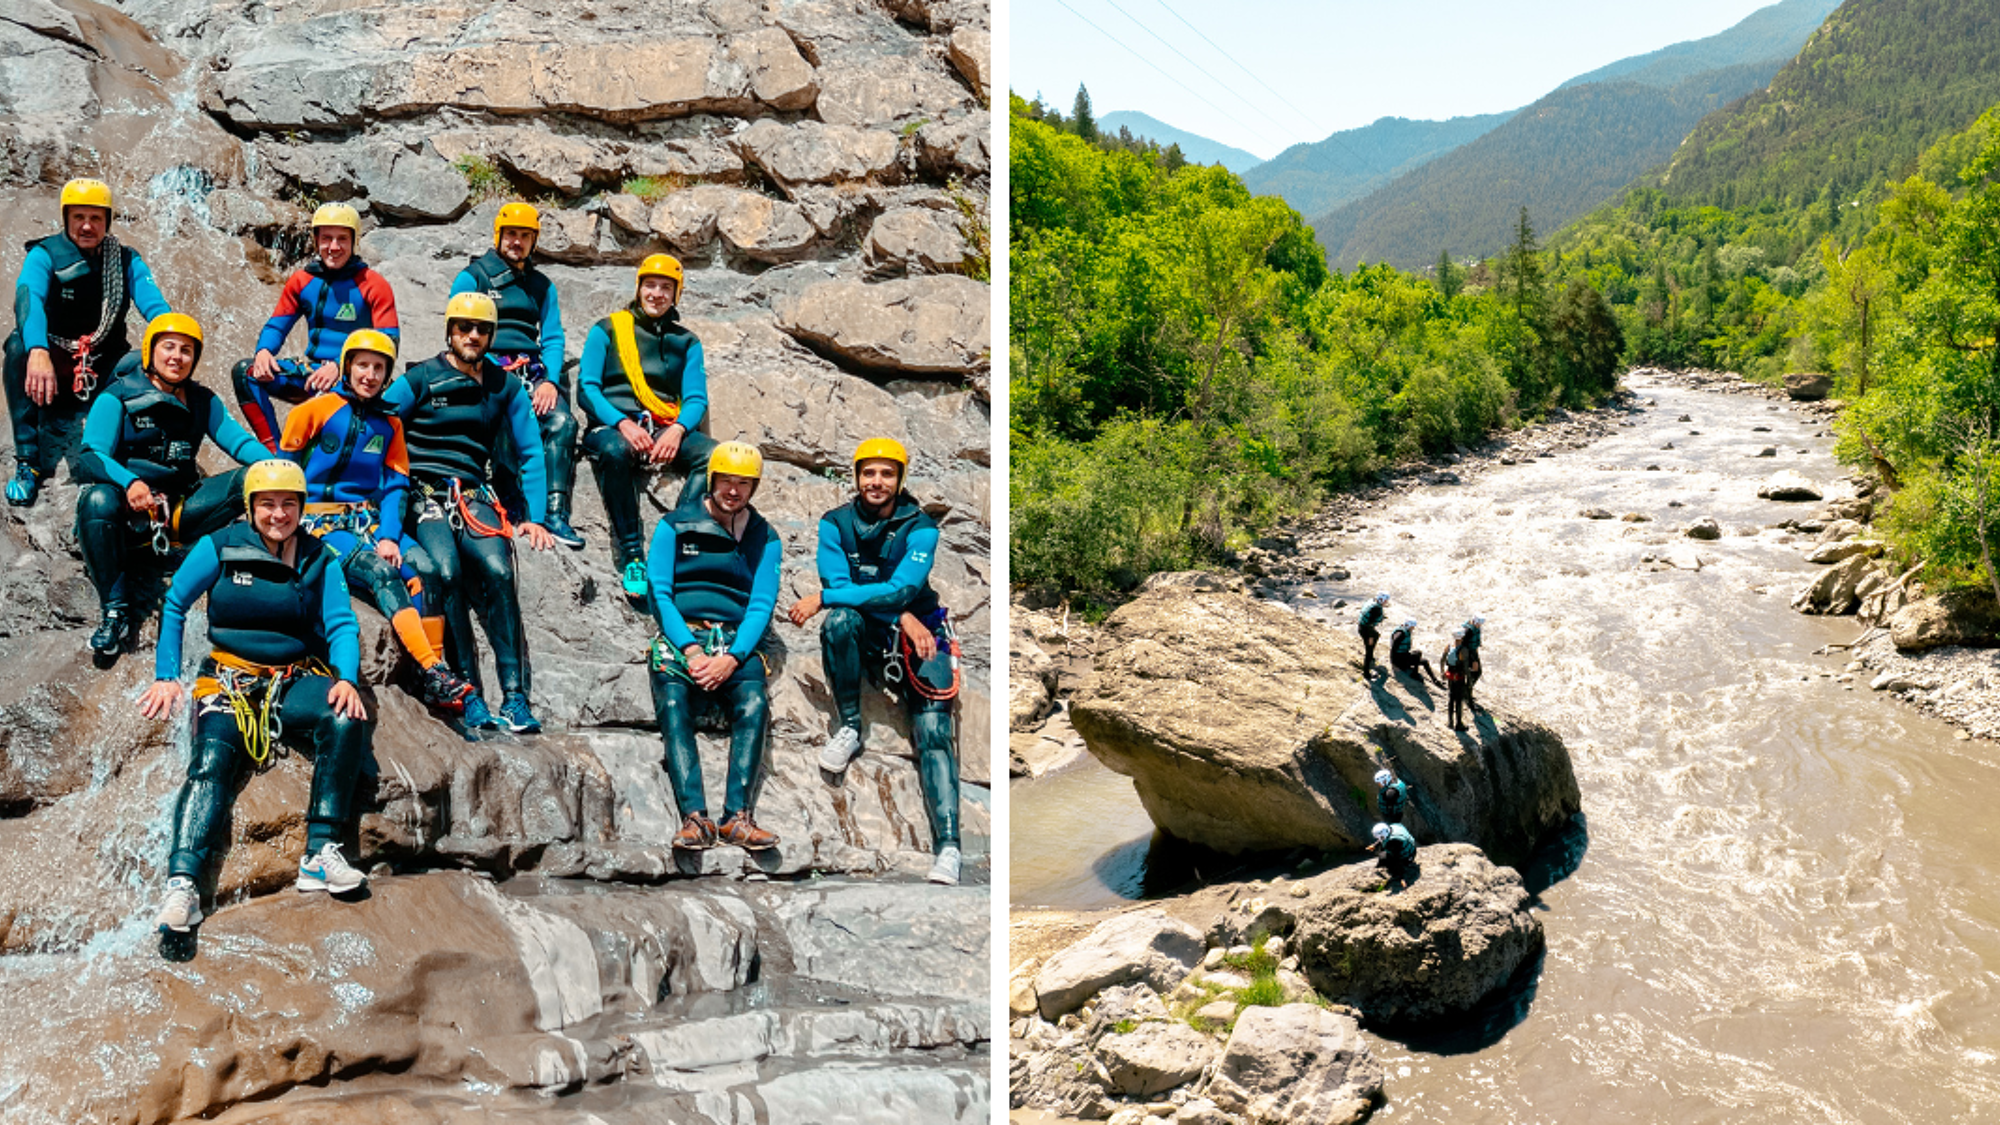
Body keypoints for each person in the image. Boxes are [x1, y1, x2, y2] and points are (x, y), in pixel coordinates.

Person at [140, 460, 374, 934]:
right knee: (210, 763)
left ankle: (320, 853)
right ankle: (182, 885)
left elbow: (341, 623)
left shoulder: (318, 557)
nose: (278, 513)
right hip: (228, 679)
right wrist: (168, 675)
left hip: (290, 680)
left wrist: (346, 678)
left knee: (346, 718)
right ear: (250, 507)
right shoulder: (220, 546)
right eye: (267, 503)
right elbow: (175, 602)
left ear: (302, 507)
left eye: (289, 504)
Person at [787, 438, 963, 886]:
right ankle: (850, 725)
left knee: (933, 731)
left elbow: (903, 588)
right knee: (839, 623)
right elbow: (843, 582)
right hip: (873, 629)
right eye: (869, 473)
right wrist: (895, 613)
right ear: (857, 477)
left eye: (886, 474)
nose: (877, 482)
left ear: (900, 479)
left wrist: (826, 598)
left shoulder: (921, 528)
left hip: (923, 631)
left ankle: (948, 848)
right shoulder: (834, 524)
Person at [381, 292, 557, 734]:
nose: (472, 336)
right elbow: (380, 425)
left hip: (473, 494)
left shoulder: (505, 386)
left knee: (499, 570)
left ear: (492, 335)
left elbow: (530, 450)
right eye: (464, 327)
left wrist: (532, 516)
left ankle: (515, 697)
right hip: (424, 493)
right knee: (445, 569)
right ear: (450, 331)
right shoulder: (420, 379)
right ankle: (468, 691)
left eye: (481, 330)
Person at [277, 328, 475, 712]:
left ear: (388, 375)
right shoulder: (312, 411)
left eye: (379, 368)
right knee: (381, 573)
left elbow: (397, 485)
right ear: (347, 367)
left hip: (366, 518)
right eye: (362, 365)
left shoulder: (391, 423)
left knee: (427, 569)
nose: (369, 375)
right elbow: (284, 474)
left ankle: (432, 676)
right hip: (320, 522)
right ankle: (432, 667)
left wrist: (388, 535)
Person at [75, 313, 267, 657]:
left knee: (256, 478)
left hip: (178, 514)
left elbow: (238, 443)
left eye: (186, 350)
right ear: (150, 351)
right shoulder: (116, 397)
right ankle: (115, 612)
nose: (177, 357)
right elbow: (90, 454)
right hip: (126, 518)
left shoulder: (202, 400)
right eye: (169, 347)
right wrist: (130, 481)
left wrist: (276, 468)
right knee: (96, 499)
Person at [647, 442, 782, 853]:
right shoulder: (675, 525)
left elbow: (761, 603)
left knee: (753, 702)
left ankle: (736, 817)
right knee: (674, 703)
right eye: (727, 480)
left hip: (735, 640)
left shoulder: (764, 535)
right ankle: (694, 817)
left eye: (744, 483)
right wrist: (690, 650)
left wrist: (732, 657)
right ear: (712, 479)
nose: (734, 491)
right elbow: (660, 591)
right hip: (683, 634)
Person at [6, 178, 172, 507]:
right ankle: (28, 462)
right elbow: (29, 299)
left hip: (103, 366)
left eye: (96, 218)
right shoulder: (44, 255)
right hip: (53, 369)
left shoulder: (125, 260)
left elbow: (155, 306)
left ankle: (141, 463)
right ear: (66, 219)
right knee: (16, 349)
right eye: (79, 217)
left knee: (147, 363)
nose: (86, 226)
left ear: (107, 222)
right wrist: (38, 350)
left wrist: (173, 337)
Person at [577, 253, 715, 599]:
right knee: (614, 450)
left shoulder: (687, 342)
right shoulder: (607, 329)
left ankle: (675, 537)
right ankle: (632, 555)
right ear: (639, 289)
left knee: (713, 457)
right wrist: (622, 423)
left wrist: (678, 429)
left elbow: (696, 397)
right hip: (613, 427)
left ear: (676, 294)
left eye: (666, 287)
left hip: (663, 424)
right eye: (650, 285)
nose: (656, 294)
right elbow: (587, 389)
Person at [450, 202, 583, 549]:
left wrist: (550, 381)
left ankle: (555, 515)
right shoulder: (474, 276)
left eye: (525, 236)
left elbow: (552, 337)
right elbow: (454, 330)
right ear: (498, 235)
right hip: (488, 368)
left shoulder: (541, 285)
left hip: (530, 372)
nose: (517, 242)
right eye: (511, 234)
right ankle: (512, 507)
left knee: (562, 423)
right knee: (504, 423)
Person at [231, 203, 399, 452]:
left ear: (354, 242)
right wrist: (264, 351)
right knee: (246, 373)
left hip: (356, 378)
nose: (333, 247)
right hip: (313, 376)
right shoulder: (302, 280)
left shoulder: (374, 284)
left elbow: (389, 342)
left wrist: (343, 367)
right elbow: (277, 325)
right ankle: (276, 455)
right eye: (326, 238)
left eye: (342, 238)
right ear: (316, 240)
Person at [1388, 618, 1442, 687]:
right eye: (1412, 627)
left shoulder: (1405, 630)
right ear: (1408, 625)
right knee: (1417, 653)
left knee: (1424, 661)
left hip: (1403, 656)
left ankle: (1435, 680)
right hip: (1399, 660)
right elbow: (1393, 648)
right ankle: (1414, 674)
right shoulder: (1401, 634)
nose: (1413, 629)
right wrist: (1393, 663)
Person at [1368, 822, 1417, 886]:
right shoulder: (1393, 827)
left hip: (1408, 857)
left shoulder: (1394, 842)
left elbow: (1397, 858)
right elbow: (1383, 838)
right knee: (1383, 852)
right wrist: (1374, 845)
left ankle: (1396, 873)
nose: (1378, 839)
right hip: (1412, 849)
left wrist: (1402, 877)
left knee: (1383, 856)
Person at [1442, 625, 1470, 732]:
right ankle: (1459, 724)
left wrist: (1442, 673)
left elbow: (1442, 660)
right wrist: (1469, 681)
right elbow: (1466, 667)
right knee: (1459, 700)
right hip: (1459, 677)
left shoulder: (1449, 646)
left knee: (1451, 698)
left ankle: (1450, 722)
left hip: (1450, 676)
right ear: (1462, 637)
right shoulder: (1463, 650)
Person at [1357, 592, 1389, 671]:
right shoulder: (1376, 609)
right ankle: (1366, 672)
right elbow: (1370, 625)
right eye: (1385, 601)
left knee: (1376, 635)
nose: (1386, 602)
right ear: (1381, 600)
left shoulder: (1372, 601)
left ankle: (1371, 657)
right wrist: (1370, 637)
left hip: (1362, 626)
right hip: (1365, 629)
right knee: (1369, 648)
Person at [1461, 614, 1486, 711]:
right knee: (1474, 674)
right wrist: (1472, 660)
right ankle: (1468, 698)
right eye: (1479, 624)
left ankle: (1466, 692)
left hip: (1473, 653)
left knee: (1476, 673)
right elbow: (1464, 645)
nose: (1480, 626)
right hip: (1469, 655)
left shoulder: (1475, 628)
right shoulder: (1469, 631)